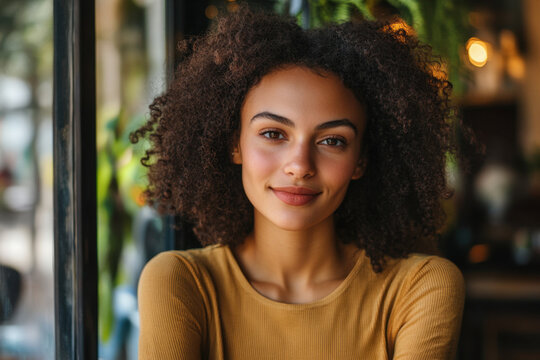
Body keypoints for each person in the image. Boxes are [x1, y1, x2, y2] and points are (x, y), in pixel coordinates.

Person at [132, 5, 478, 359]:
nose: (299, 166)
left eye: (332, 141)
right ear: (234, 143)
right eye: (273, 133)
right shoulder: (180, 284)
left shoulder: (418, 288)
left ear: (361, 160)